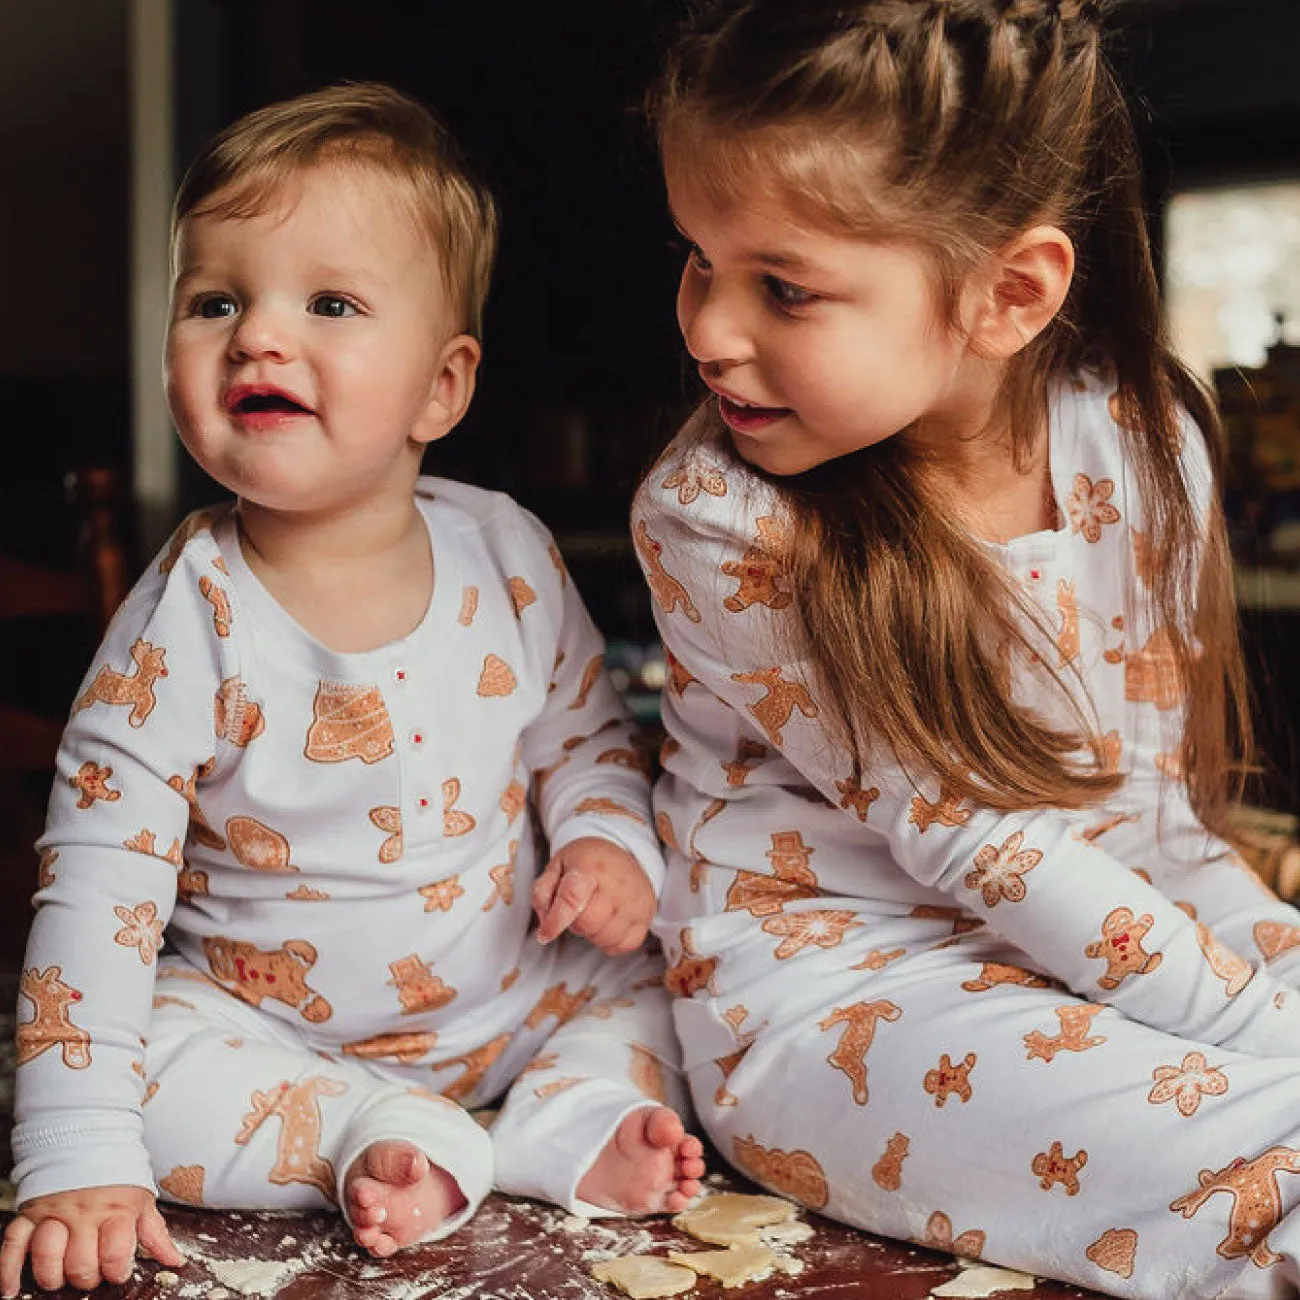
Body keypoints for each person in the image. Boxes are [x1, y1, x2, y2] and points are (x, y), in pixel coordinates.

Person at [631, 2, 1300, 1296]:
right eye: (698, 258)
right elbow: (973, 840)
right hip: (840, 1010)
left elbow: (1148, 820)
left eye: (782, 286)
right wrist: (1261, 1030)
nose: (708, 327)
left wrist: (1262, 975)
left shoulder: (1146, 442)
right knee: (1271, 1148)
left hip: (1110, 935)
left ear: (1007, 293)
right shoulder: (721, 520)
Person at [2, 82, 704, 1299]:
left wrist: (605, 845)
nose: (259, 337)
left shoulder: (510, 550)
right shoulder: (184, 620)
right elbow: (99, 885)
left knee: (683, 986)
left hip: (519, 994)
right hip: (270, 1036)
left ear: (442, 386)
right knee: (133, 1087)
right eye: (216, 300)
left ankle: (560, 1115)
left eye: (328, 303)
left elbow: (588, 738)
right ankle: (365, 1136)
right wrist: (73, 1152)